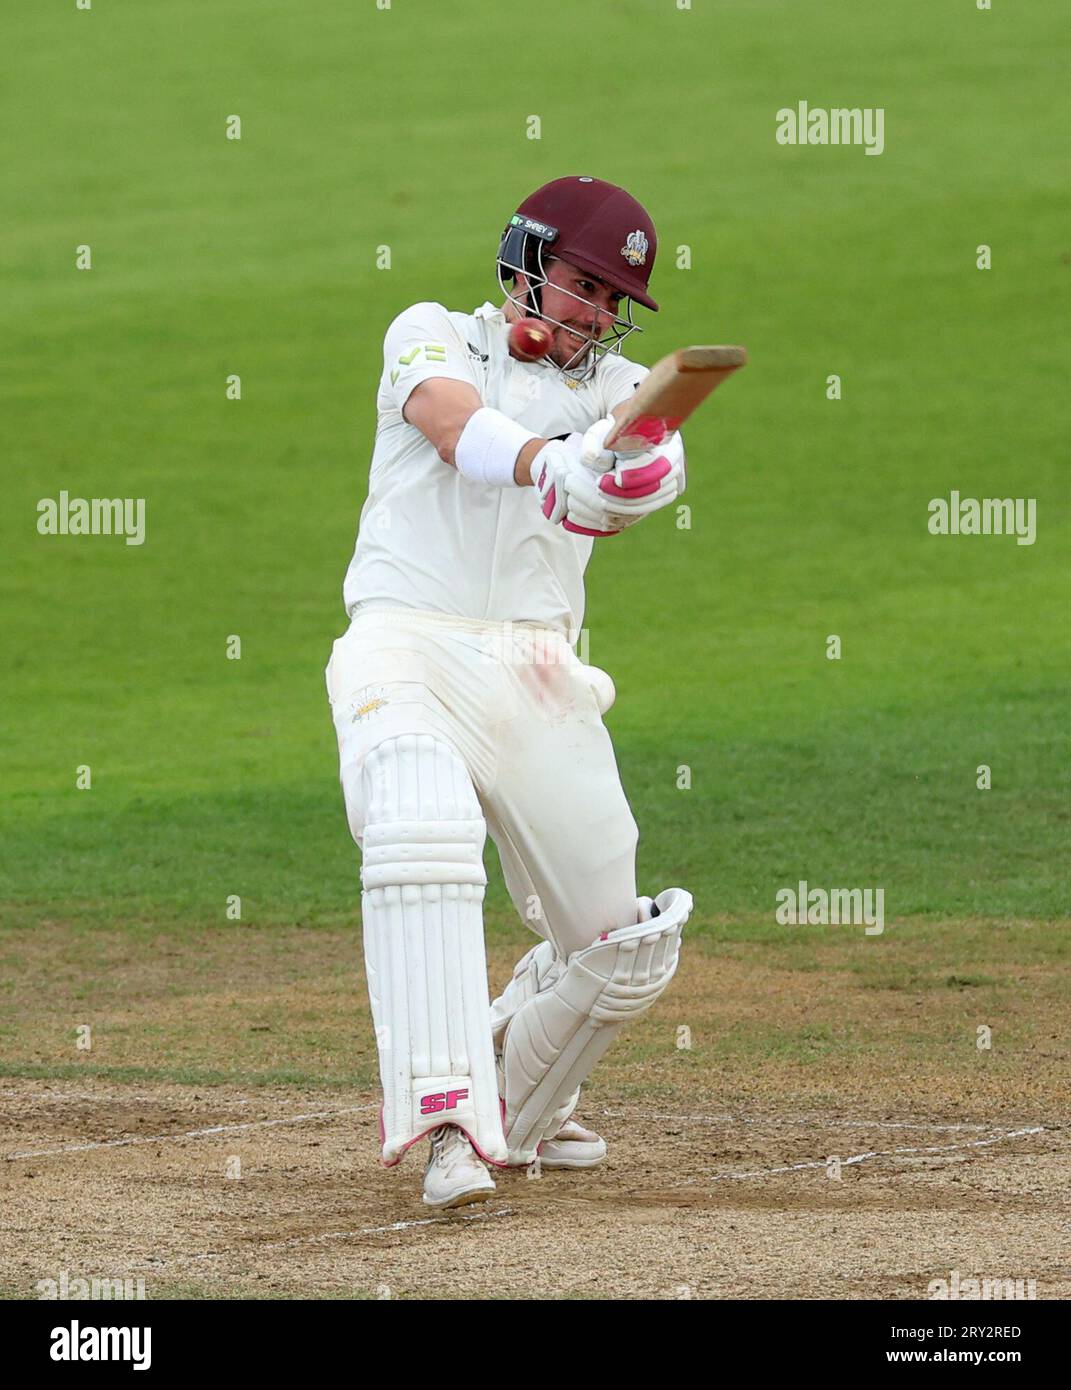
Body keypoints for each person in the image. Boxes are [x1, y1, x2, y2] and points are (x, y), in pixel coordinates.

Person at [325, 175, 693, 1209]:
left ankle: (514, 1090)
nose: (597, 314)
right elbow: (450, 423)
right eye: (583, 285)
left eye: (614, 298)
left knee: (625, 948)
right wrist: (546, 463)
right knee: (419, 826)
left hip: (534, 667)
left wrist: (622, 480)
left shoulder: (619, 385)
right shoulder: (433, 332)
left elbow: (647, 465)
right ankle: (448, 1126)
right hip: (405, 641)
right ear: (525, 262)